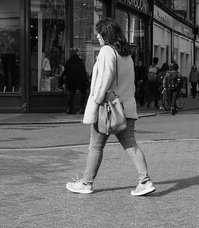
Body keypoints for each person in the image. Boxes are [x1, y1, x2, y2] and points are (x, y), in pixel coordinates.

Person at [66, 17, 156, 196]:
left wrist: (96, 101)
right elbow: (131, 84)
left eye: (99, 32)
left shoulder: (107, 51)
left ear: (106, 33)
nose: (97, 36)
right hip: (126, 107)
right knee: (131, 144)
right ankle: (145, 181)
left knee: (95, 146)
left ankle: (86, 183)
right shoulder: (126, 55)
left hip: (108, 109)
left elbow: (103, 81)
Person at [59, 48, 88, 114]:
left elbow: (65, 71)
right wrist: (86, 79)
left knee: (71, 94)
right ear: (76, 53)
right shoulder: (79, 61)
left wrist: (61, 77)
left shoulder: (69, 61)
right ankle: (81, 108)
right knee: (83, 93)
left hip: (71, 80)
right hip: (79, 79)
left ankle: (69, 108)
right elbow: (83, 71)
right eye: (78, 52)